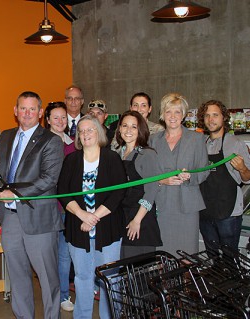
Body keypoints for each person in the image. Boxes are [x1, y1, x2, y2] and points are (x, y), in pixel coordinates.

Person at [0, 91, 64, 319]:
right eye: (22, 108)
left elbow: (49, 179)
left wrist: (15, 193)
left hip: (38, 218)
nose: (27, 114)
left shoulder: (51, 140)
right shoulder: (6, 136)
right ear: (15, 111)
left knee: (48, 278)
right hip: (10, 219)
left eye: (32, 109)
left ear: (40, 113)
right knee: (17, 276)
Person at [58, 115, 126, 319]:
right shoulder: (71, 159)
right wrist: (81, 215)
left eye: (90, 130)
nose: (85, 134)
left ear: (99, 133)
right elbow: (63, 191)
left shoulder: (112, 158)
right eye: (82, 131)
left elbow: (119, 192)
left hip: (108, 228)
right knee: (83, 277)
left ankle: (110, 316)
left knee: (110, 278)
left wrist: (94, 217)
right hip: (78, 229)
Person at [148, 93, 209, 255]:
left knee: (186, 255)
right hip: (161, 204)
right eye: (168, 112)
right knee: (162, 255)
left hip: (187, 206)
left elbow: (204, 170)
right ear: (162, 115)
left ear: (183, 115)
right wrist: (161, 180)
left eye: (177, 112)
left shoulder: (197, 139)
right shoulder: (153, 140)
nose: (173, 116)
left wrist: (190, 176)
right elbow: (146, 174)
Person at [197, 100, 250, 252]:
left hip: (228, 212)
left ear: (224, 118)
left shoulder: (235, 143)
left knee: (230, 258)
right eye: (207, 115)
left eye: (215, 115)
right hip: (205, 211)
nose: (211, 119)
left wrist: (242, 169)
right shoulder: (201, 143)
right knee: (213, 256)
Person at [112, 111, 162, 258]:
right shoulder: (115, 154)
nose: (128, 130)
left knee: (139, 274)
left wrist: (137, 220)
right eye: (125, 126)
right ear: (119, 129)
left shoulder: (147, 154)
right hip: (121, 220)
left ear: (141, 130)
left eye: (134, 127)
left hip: (140, 221)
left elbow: (152, 190)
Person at [43, 101, 75, 312]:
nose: (60, 121)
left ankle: (63, 294)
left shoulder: (73, 144)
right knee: (47, 254)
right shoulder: (41, 143)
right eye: (56, 117)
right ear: (47, 120)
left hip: (67, 208)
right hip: (46, 208)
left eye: (64, 117)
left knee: (64, 254)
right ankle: (50, 294)